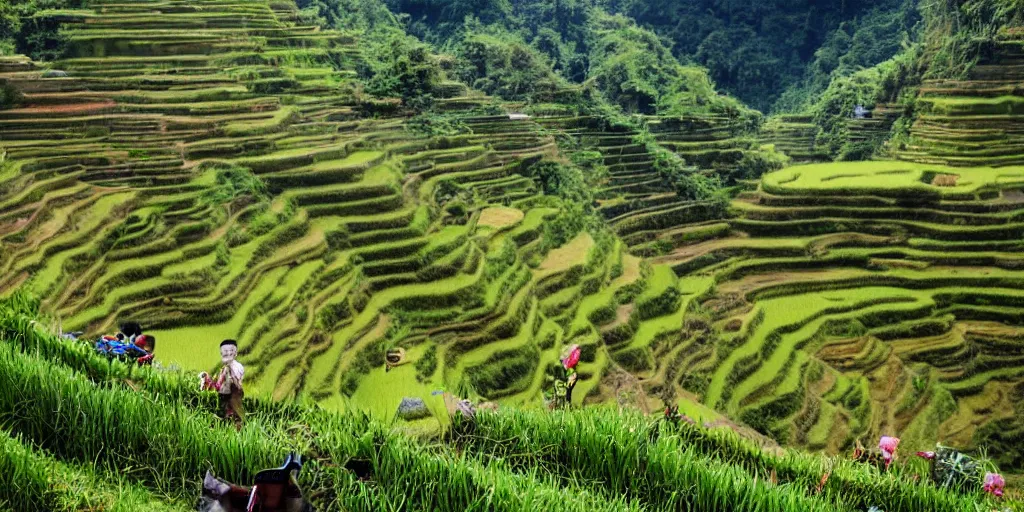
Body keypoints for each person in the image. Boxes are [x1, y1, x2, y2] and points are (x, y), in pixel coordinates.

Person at [201, 339, 245, 428]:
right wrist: (206, 378)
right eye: (224, 351)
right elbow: (217, 386)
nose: (227, 353)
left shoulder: (237, 367)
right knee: (225, 415)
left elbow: (238, 385)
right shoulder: (224, 369)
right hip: (223, 397)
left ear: (235, 353)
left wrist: (232, 377)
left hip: (233, 397)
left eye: (231, 351)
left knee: (235, 417)